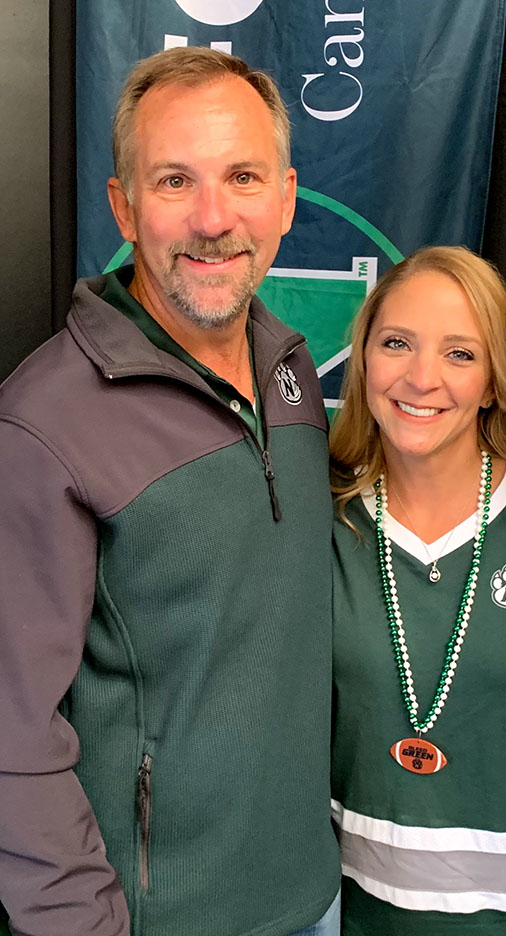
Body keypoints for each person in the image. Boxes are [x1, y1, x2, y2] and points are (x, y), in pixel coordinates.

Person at [0, 47, 339, 936]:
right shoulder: (43, 424)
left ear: (289, 196)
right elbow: (10, 731)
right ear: (123, 204)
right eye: (175, 181)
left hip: (314, 895)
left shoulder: (293, 368)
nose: (215, 217)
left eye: (243, 176)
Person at [329, 246, 506, 934]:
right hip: (354, 919)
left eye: (459, 354)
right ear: (363, 361)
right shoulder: (318, 520)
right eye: (397, 344)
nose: (422, 378)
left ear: (492, 381)